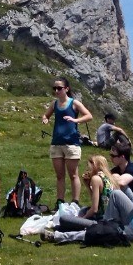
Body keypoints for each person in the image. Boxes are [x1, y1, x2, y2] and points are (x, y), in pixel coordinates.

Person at [42, 155, 123, 242]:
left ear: (95, 165)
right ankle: (61, 229)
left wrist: (83, 218)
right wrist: (87, 185)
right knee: (84, 209)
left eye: (89, 166)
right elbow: (99, 203)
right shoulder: (109, 178)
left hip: (101, 220)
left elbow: (94, 209)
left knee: (64, 219)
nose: (87, 169)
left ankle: (60, 230)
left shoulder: (96, 179)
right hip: (110, 218)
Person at [41, 77, 93, 210]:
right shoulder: (54, 104)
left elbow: (89, 116)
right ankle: (60, 201)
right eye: (55, 88)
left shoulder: (74, 103)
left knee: (73, 174)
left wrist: (76, 121)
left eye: (59, 88)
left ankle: (75, 202)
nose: (56, 91)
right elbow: (45, 115)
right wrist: (45, 119)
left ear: (67, 89)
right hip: (57, 143)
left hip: (71, 143)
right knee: (59, 175)